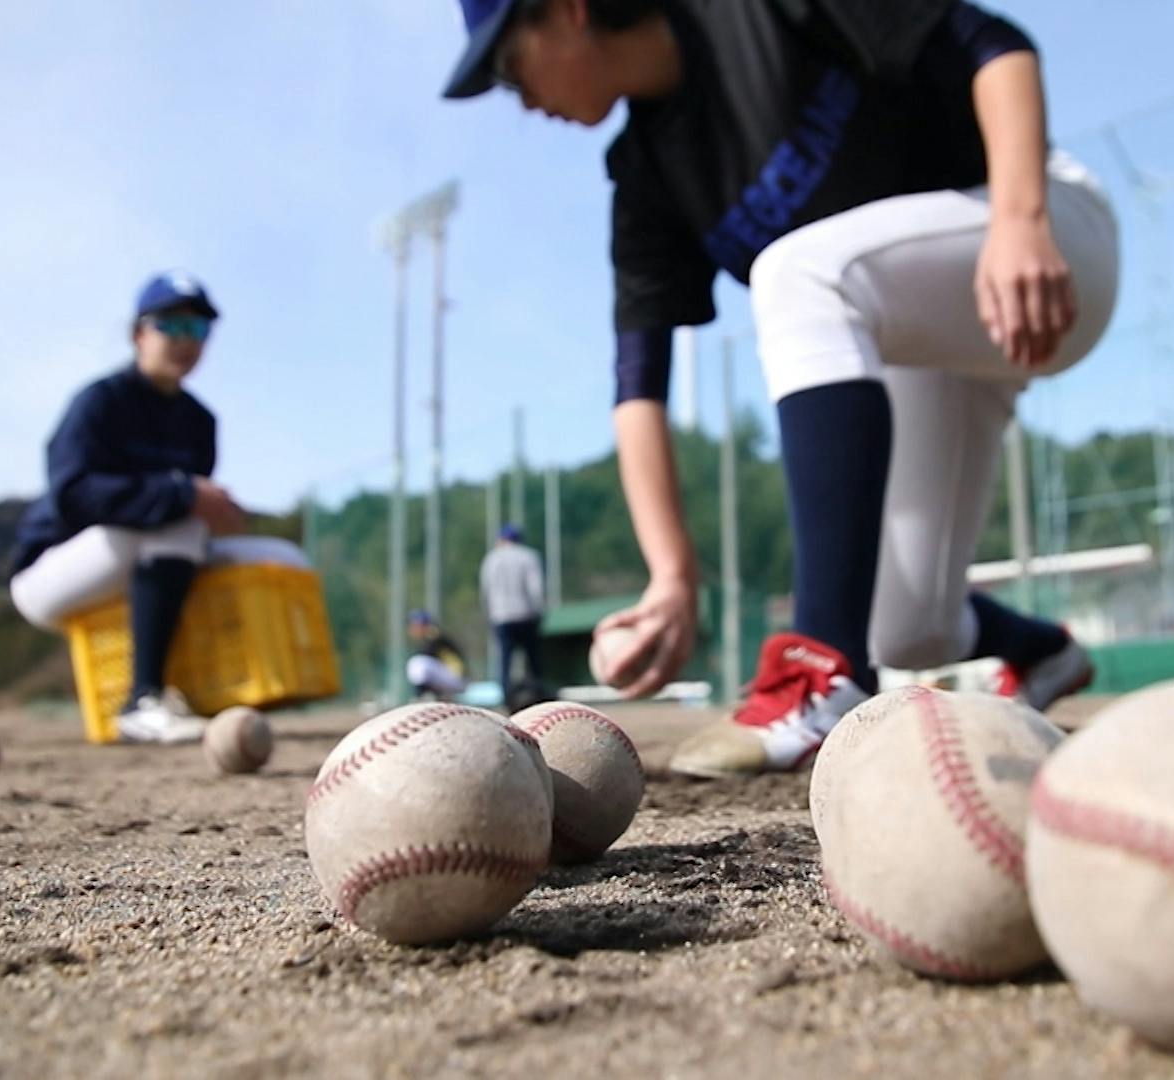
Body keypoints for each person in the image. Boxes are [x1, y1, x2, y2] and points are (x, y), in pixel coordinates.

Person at [442, 0, 1119, 777]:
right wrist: (673, 576)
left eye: (509, 64)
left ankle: (821, 667)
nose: (519, 98)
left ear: (566, 10)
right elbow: (638, 388)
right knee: (909, 630)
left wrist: (1021, 219)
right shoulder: (645, 172)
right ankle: (1044, 652)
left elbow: (996, 46)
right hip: (925, 343)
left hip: (1038, 229)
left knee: (795, 272)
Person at [9, 271, 248, 744]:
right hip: (50, 572)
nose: (185, 340)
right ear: (139, 334)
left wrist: (212, 511)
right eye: (170, 325)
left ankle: (209, 688)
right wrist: (182, 493)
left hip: (137, 565)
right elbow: (71, 495)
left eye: (197, 328)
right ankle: (141, 701)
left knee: (274, 557)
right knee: (176, 523)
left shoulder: (200, 421)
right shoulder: (100, 402)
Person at [480, 523, 548, 698]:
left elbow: (486, 591)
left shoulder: (492, 559)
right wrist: (539, 610)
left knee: (505, 660)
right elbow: (536, 589)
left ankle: (506, 697)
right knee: (532, 659)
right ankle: (537, 695)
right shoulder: (529, 556)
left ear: (501, 539)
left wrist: (489, 614)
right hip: (526, 615)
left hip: (501, 616)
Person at [406, 610, 471, 701]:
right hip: (452, 679)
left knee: (417, 663)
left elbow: (429, 658)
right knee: (420, 663)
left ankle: (422, 696)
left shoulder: (434, 636)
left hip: (457, 679)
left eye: (415, 625)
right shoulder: (432, 636)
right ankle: (435, 696)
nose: (412, 628)